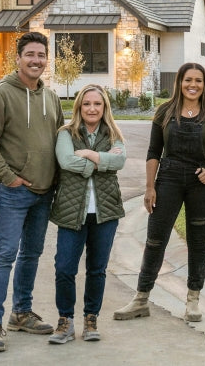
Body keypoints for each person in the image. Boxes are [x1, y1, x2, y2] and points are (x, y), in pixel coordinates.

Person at [114, 63, 205, 322]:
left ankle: (192, 300)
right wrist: (149, 186)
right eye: (188, 80)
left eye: (199, 81)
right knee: (155, 239)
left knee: (198, 241)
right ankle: (141, 298)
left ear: (204, 84)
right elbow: (154, 152)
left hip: (201, 184)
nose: (193, 85)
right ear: (179, 82)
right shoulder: (164, 112)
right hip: (169, 179)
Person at [0, 31, 64, 352]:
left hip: (44, 193)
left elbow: (60, 142)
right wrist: (8, 177)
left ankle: (22, 313)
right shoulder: (0, 96)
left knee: (31, 254)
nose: (36, 61)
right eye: (30, 55)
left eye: (41, 56)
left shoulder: (51, 98)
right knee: (4, 255)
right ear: (19, 58)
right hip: (12, 193)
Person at [49, 84, 126, 344]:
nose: (92, 109)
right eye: (87, 104)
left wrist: (92, 154)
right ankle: (65, 320)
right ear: (79, 106)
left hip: (105, 213)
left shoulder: (113, 133)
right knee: (64, 268)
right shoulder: (65, 133)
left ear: (104, 108)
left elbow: (120, 162)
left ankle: (91, 318)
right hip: (72, 212)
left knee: (97, 269)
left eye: (97, 104)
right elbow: (66, 161)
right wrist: (101, 162)